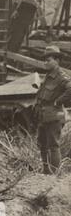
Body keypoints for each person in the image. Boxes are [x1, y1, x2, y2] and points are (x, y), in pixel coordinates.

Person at [34, 46, 71, 174]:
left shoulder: (61, 76)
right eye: (44, 60)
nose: (45, 62)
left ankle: (55, 173)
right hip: (43, 114)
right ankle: (46, 170)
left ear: (57, 60)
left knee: (53, 145)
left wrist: (58, 101)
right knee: (42, 144)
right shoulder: (49, 75)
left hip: (54, 115)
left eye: (48, 60)